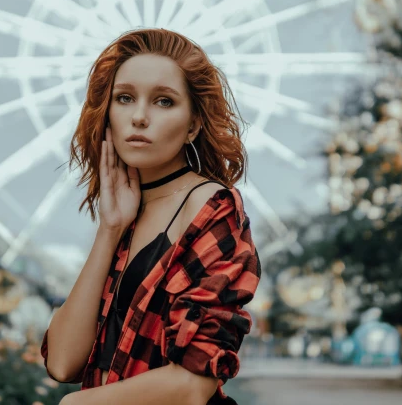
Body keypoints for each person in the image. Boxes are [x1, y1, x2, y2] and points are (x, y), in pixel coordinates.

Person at [40, 28, 261, 405]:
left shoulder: (212, 208)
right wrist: (109, 231)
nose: (139, 117)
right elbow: (63, 363)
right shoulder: (126, 213)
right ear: (106, 113)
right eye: (125, 98)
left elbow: (195, 383)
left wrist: (77, 404)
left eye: (163, 102)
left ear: (193, 125)